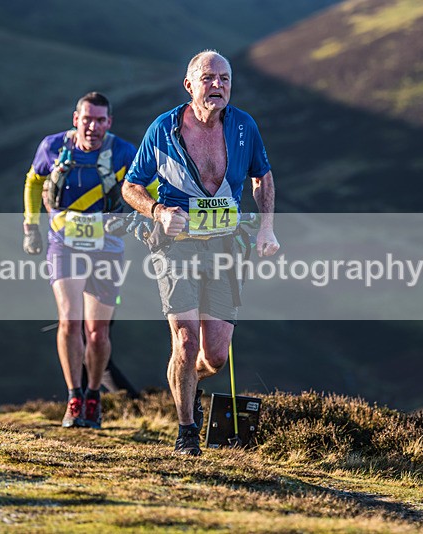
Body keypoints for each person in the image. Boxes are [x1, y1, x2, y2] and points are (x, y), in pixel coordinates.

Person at [122, 50, 280, 455]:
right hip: (176, 247)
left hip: (226, 248)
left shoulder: (243, 126)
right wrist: (158, 211)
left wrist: (266, 228)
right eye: (208, 78)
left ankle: (185, 382)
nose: (217, 85)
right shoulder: (164, 129)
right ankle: (187, 432)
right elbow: (130, 186)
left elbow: (262, 176)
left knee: (215, 357)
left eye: (224, 78)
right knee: (186, 340)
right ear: (189, 85)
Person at [22, 92, 137, 429]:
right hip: (64, 244)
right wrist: (31, 226)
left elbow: (151, 188)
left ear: (109, 122)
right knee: (69, 321)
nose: (93, 126)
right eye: (87, 119)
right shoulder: (52, 147)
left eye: (100, 120)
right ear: (76, 119)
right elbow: (33, 181)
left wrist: (139, 219)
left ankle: (93, 396)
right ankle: (74, 397)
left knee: (97, 333)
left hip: (107, 248)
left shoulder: (124, 152)